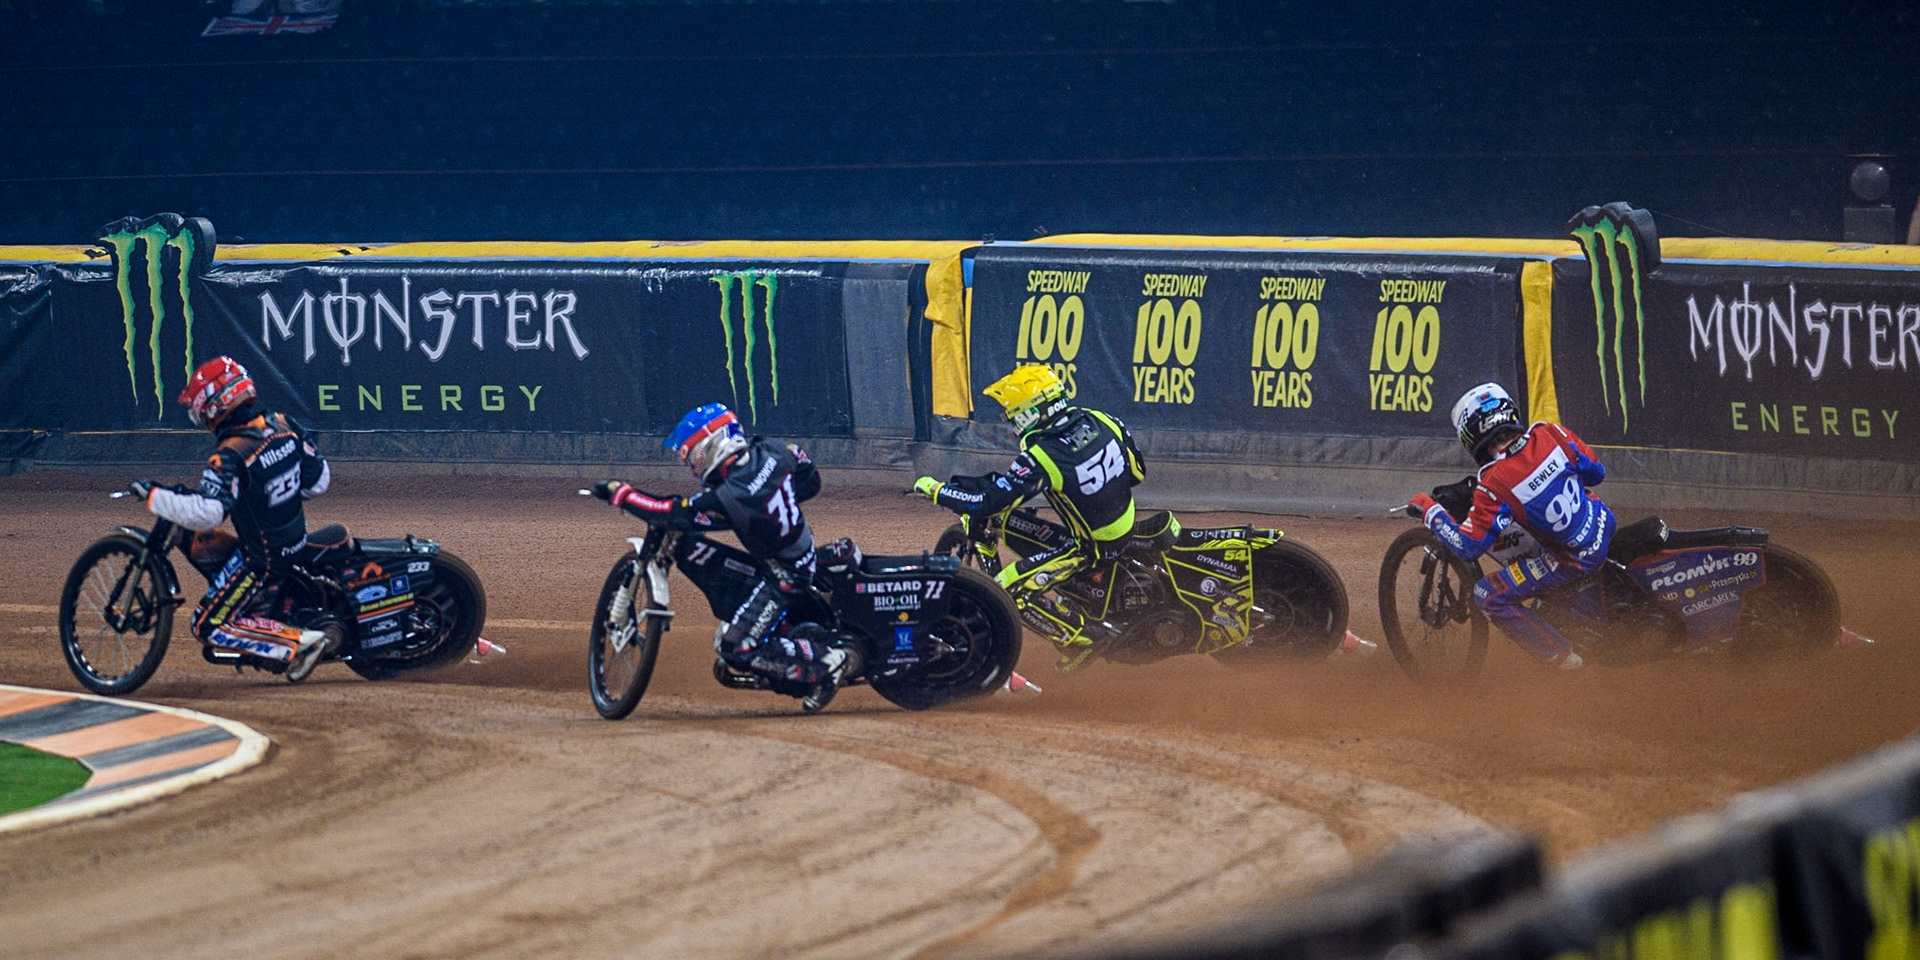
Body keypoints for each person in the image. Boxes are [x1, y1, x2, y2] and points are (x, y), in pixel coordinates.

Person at [590, 403, 851, 712]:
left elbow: (674, 513)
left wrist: (622, 494)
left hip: (784, 576)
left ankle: (825, 664)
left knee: (735, 647)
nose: (691, 463)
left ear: (712, 444)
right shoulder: (773, 450)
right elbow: (809, 479)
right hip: (797, 553)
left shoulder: (732, 494)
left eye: (691, 454)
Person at [912, 364, 1145, 669]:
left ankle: (1082, 639)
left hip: (1092, 547)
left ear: (1030, 413)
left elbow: (985, 504)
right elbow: (1138, 472)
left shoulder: (1043, 455)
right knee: (1015, 522)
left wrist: (935, 490)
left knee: (1006, 588)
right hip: (1125, 521)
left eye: (1013, 415)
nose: (1011, 424)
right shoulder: (1101, 418)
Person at [135, 356, 336, 681]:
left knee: (206, 624)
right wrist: (273, 495)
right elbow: (318, 481)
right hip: (294, 541)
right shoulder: (285, 425)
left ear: (216, 406)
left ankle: (298, 644)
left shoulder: (230, 454)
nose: (199, 417)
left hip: (261, 559)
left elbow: (209, 514)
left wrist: (155, 497)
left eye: (200, 409)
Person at [1408, 383, 1617, 669]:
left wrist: (1430, 512)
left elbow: (1468, 547)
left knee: (1486, 595)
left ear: (1471, 435)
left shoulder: (1494, 482)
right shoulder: (1552, 432)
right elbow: (1596, 474)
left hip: (1574, 560)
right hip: (1604, 521)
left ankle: (1564, 659)